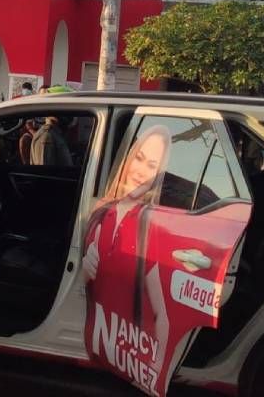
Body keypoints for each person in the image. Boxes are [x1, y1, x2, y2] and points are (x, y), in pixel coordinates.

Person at [81, 125, 172, 394]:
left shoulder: (151, 225)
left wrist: (154, 372)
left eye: (152, 165)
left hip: (128, 361)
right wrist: (87, 270)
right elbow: (84, 287)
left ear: (159, 175)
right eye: (139, 158)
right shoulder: (101, 210)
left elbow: (161, 316)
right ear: (130, 157)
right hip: (95, 350)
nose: (140, 170)